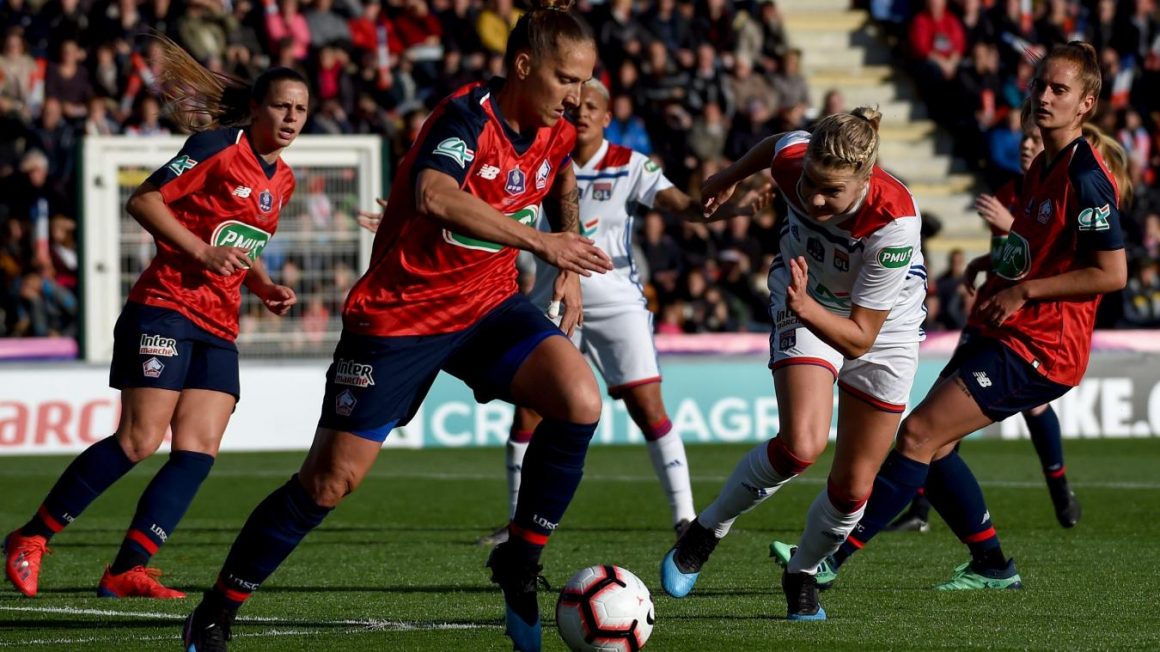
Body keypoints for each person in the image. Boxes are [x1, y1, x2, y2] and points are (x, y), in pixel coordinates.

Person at [180, 2, 620, 650]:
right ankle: (217, 607)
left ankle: (519, 561)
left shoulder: (554, 127)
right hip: (401, 316)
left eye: (586, 80)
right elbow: (434, 196)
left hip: (487, 304)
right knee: (329, 482)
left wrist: (571, 262)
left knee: (580, 401)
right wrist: (544, 245)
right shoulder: (467, 116)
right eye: (566, 79)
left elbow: (562, 178)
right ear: (524, 66)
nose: (578, 97)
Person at [774, 41, 1127, 612]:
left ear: (1086, 103)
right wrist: (999, 264)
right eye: (1039, 85)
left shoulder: (1087, 177)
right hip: (1011, 332)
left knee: (915, 438)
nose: (1043, 97)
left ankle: (828, 559)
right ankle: (991, 563)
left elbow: (1111, 274)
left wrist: (1024, 289)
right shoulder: (1042, 164)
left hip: (1044, 347)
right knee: (932, 447)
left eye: (1059, 90)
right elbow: (1042, 248)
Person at [3, 38, 306, 599]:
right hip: (165, 307)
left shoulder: (281, 179)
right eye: (283, 105)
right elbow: (144, 200)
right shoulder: (216, 146)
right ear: (258, 107)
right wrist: (200, 252)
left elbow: (241, 245)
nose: (292, 117)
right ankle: (31, 538)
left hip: (219, 324)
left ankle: (127, 569)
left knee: (197, 449)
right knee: (140, 440)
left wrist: (263, 287)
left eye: (301, 109)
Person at [658, 106, 929, 622]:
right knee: (801, 445)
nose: (815, 199)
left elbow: (860, 337)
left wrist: (810, 309)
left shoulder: (895, 221)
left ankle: (801, 572)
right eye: (810, 184)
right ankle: (705, 530)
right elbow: (777, 143)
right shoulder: (794, 160)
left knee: (854, 489)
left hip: (880, 329)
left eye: (832, 192)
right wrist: (728, 176)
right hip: (803, 295)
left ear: (866, 180)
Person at [474, 79, 767, 548]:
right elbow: (489, 207)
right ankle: (515, 525)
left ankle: (684, 518)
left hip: (615, 302)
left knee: (648, 409)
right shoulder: (542, 156)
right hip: (552, 299)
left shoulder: (631, 165)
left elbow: (687, 208)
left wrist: (738, 208)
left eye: (593, 107)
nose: (582, 113)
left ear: (608, 118)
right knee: (527, 413)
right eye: (576, 106)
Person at [885, 118, 1133, 534]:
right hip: (992, 313)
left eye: (1035, 139)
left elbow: (1085, 264)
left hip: (1034, 330)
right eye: (1023, 138)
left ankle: (1058, 491)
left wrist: (1007, 229)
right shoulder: (1016, 188)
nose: (1026, 145)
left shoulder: (1079, 182)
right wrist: (987, 260)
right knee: (934, 425)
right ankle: (927, 517)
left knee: (983, 414)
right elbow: (1014, 254)